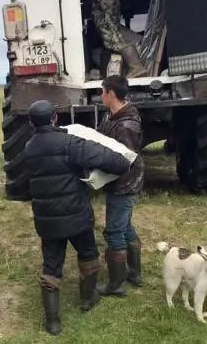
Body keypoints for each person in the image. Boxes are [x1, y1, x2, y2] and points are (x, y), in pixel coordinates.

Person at [21, 100, 132, 336]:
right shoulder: (70, 143)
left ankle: (53, 322)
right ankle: (88, 298)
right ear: (55, 119)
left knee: (51, 265)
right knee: (88, 254)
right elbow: (118, 162)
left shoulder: (28, 148)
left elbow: (24, 186)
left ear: (31, 123)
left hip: (47, 220)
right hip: (77, 216)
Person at [95, 75, 145, 297]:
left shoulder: (126, 125)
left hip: (124, 184)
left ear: (111, 94)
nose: (100, 95)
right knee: (125, 227)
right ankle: (134, 273)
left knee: (114, 230)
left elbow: (123, 160)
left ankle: (115, 285)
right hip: (118, 182)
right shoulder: (111, 116)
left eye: (102, 91)